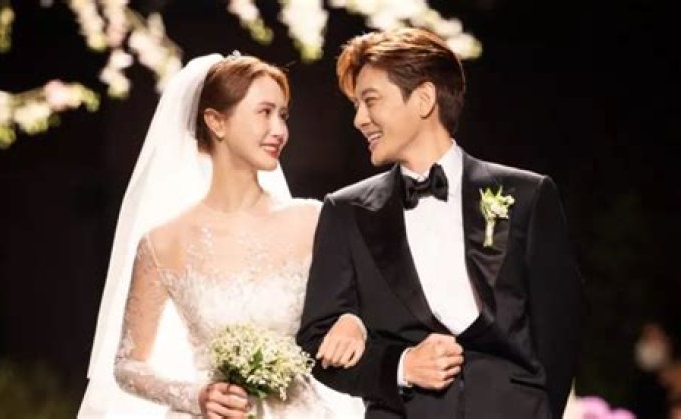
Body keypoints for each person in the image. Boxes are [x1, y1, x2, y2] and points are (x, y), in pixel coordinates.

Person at [297, 28, 585, 419]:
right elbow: (316, 343)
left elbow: (560, 326)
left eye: (370, 101)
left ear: (424, 99)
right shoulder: (346, 211)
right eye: (356, 105)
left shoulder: (527, 195)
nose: (359, 119)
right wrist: (401, 367)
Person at [78, 53, 365, 418]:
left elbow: (360, 307)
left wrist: (353, 323)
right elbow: (127, 365)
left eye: (283, 115)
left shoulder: (312, 221)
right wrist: (195, 396)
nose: (279, 130)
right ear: (216, 122)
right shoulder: (163, 243)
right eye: (264, 112)